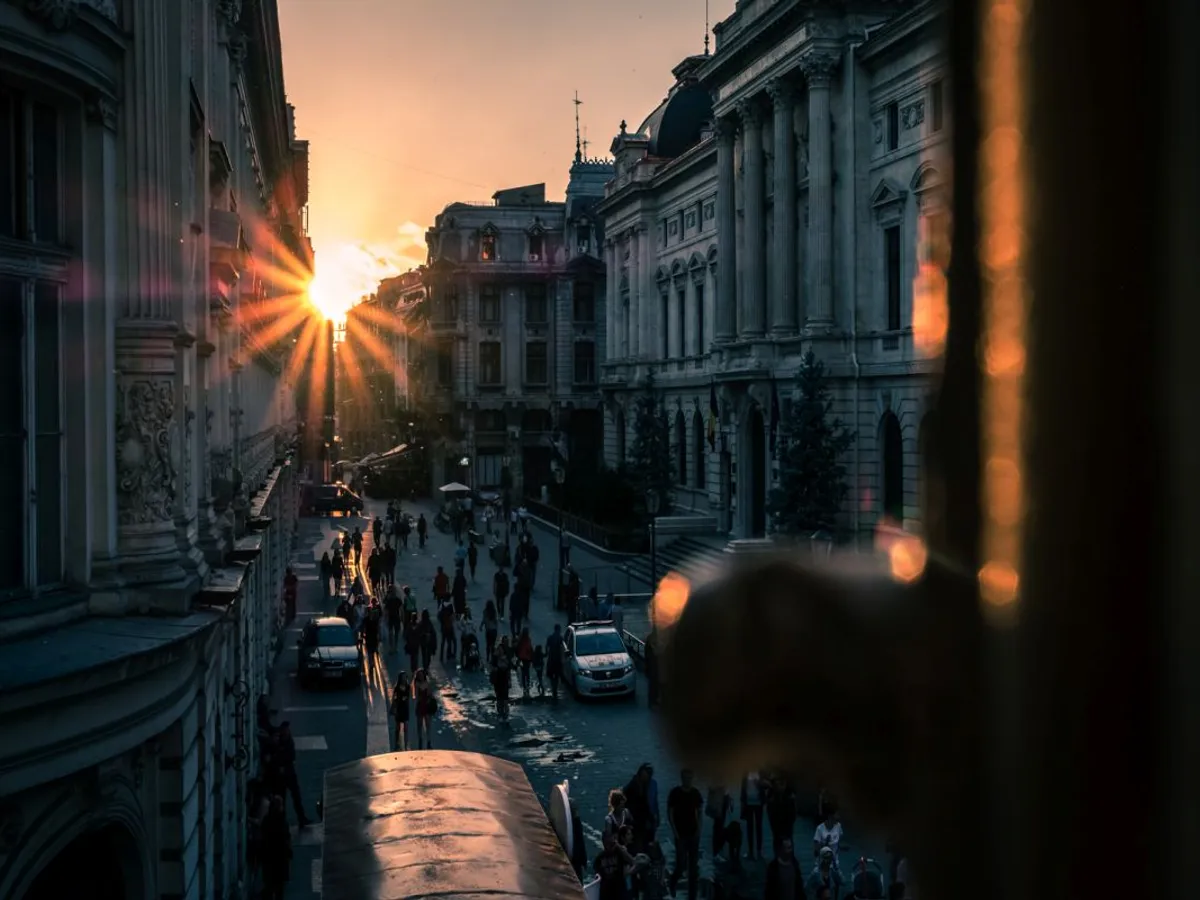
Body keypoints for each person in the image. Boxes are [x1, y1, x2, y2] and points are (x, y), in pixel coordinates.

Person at [667, 769, 704, 900]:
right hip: (681, 834)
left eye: (690, 778)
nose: (688, 780)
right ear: (682, 778)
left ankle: (692, 896)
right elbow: (670, 813)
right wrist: (675, 831)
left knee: (693, 869)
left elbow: (700, 812)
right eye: (686, 778)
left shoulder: (695, 793)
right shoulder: (675, 793)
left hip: (693, 833)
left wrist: (699, 830)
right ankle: (673, 881)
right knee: (681, 864)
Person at [413, 668, 437, 749]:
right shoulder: (417, 684)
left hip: (426, 705)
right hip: (421, 705)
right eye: (419, 675)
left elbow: (430, 693)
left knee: (428, 725)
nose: (421, 676)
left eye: (421, 675)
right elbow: (416, 695)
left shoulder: (426, 683)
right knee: (419, 724)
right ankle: (421, 739)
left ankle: (428, 741)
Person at [391, 672, 411, 751]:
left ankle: (406, 745)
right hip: (399, 708)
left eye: (405, 677)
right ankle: (396, 743)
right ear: (400, 678)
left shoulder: (408, 687)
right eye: (403, 677)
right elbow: (394, 698)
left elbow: (408, 697)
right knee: (398, 727)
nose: (404, 679)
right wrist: (394, 707)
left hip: (405, 708)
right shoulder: (397, 687)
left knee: (406, 727)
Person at [545, 624, 565, 699]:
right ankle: (555, 689)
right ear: (558, 630)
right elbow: (562, 649)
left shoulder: (550, 637)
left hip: (551, 659)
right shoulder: (560, 638)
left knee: (551, 675)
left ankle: (553, 688)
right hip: (557, 659)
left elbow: (546, 646)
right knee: (557, 675)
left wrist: (546, 653)